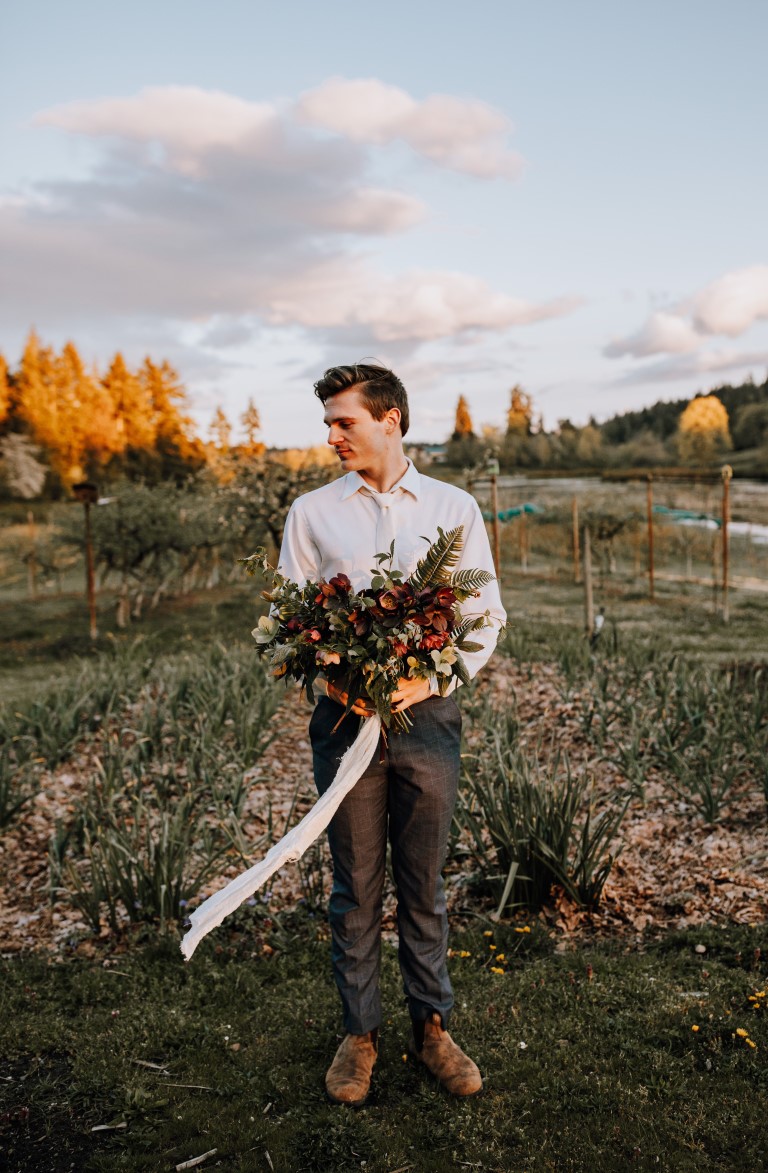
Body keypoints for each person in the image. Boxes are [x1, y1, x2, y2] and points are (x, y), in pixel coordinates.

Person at [277, 363, 506, 1105]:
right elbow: (293, 620)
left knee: (424, 883)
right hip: (345, 721)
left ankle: (433, 1026)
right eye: (328, 423)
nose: (332, 435)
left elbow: (486, 616)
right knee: (354, 885)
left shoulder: (453, 507)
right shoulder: (311, 513)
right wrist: (331, 671)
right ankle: (359, 1033)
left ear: (391, 420)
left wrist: (430, 680)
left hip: (428, 722)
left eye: (344, 421)